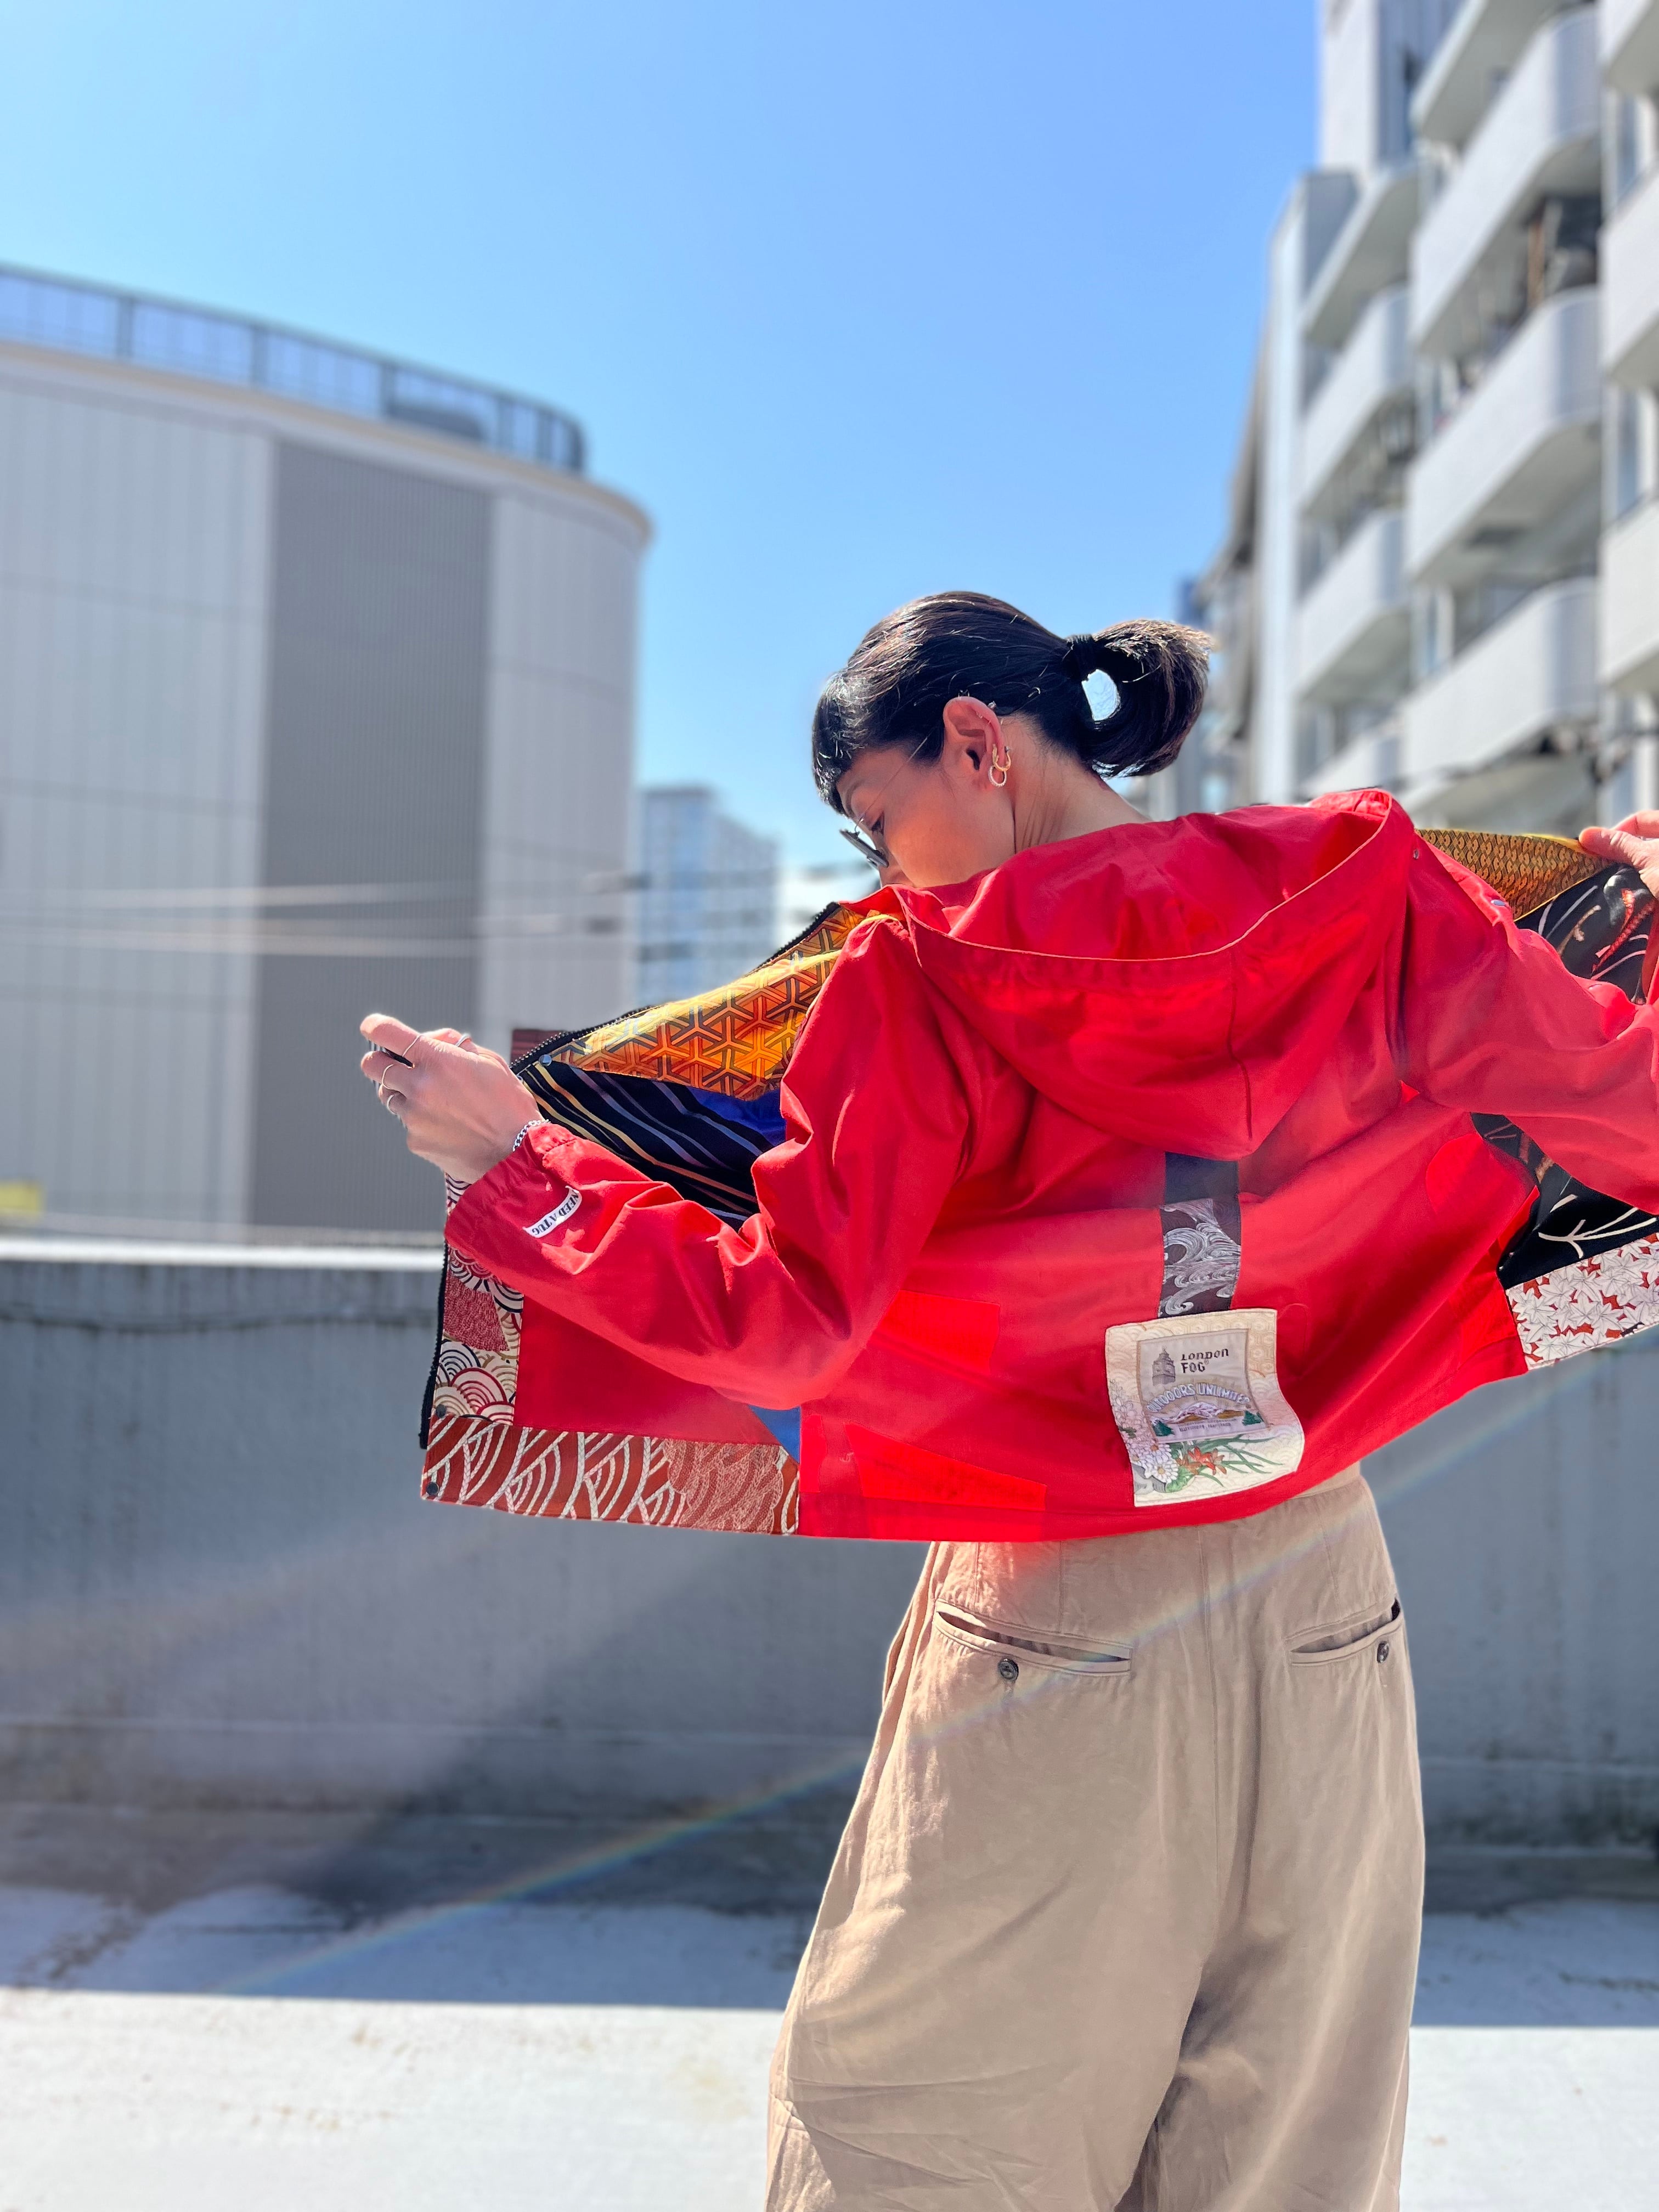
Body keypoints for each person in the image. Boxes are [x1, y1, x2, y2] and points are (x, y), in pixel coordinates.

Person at [361, 593, 1659, 2212]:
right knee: (1289, 2153)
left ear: (976, 743)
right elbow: (1635, 1118)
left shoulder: (916, 981)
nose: (878, 871)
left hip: (1057, 1605)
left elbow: (783, 1331)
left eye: (877, 818)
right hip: (1322, 1586)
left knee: (925, 2140)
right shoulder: (1372, 884)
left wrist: (523, 1164)